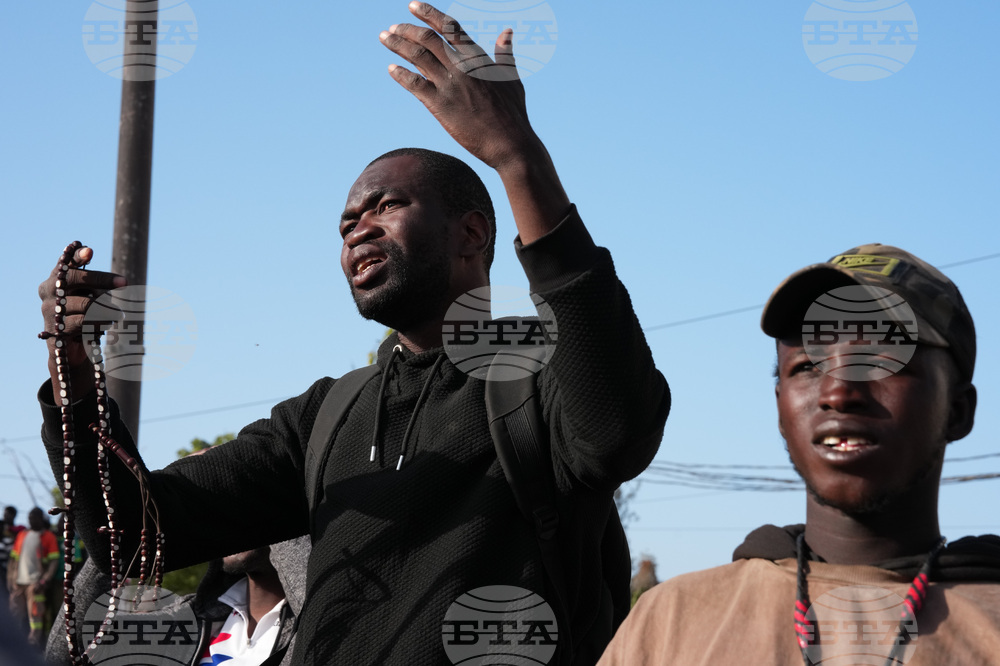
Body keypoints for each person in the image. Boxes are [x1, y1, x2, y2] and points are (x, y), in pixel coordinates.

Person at [35, 3, 669, 665]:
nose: (358, 229)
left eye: (386, 205)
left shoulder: (538, 378)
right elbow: (132, 536)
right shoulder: (323, 418)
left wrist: (516, 156)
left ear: (473, 234)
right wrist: (71, 370)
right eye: (345, 226)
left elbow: (616, 427)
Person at [598, 244, 1000, 665]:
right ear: (779, 408)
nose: (839, 392)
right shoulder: (672, 621)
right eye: (809, 365)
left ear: (958, 411)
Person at [45, 536, 308, 666]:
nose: (232, 513)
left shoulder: (319, 623)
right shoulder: (194, 618)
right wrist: (122, 532)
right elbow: (70, 652)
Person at [7, 507, 58, 646]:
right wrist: (11, 580)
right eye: (29, 517)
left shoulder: (48, 536)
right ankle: (15, 646)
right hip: (19, 583)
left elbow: (54, 561)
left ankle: (34, 647)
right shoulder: (22, 535)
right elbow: (14, 560)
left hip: (36, 585)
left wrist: (44, 580)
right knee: (14, 615)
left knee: (36, 618)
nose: (30, 519)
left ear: (40, 518)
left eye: (33, 517)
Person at [0, 506, 24, 598]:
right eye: (5, 513)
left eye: (8, 514)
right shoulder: (2, 528)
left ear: (14, 515)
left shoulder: (18, 530)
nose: (5, 516)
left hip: (12, 568)